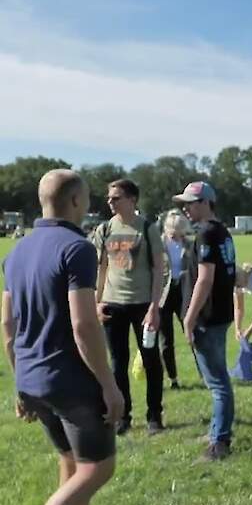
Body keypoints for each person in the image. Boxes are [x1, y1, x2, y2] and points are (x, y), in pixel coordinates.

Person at [2, 169, 124, 505]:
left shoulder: (16, 253)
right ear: (75, 200)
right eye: (86, 197)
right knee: (96, 468)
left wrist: (21, 383)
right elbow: (84, 325)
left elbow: (7, 325)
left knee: (70, 463)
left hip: (32, 379)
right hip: (70, 382)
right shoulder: (77, 249)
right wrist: (108, 384)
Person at [91, 178, 166, 436]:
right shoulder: (104, 229)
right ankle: (123, 417)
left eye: (116, 198)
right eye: (109, 198)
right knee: (117, 363)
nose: (110, 202)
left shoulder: (147, 228)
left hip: (142, 305)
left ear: (132, 199)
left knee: (151, 361)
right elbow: (100, 269)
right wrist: (97, 303)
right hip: (113, 305)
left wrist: (155, 307)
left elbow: (159, 270)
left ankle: (154, 416)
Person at [173, 181, 237, 462]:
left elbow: (205, 278)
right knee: (217, 379)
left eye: (190, 203)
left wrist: (189, 317)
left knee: (217, 382)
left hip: (208, 317)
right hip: (220, 314)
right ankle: (216, 429)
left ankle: (219, 442)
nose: (186, 208)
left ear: (205, 203)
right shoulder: (222, 231)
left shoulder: (206, 234)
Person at [159, 210, 194, 390]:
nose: (174, 233)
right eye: (171, 229)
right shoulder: (159, 244)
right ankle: (173, 379)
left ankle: (206, 373)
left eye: (178, 229)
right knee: (166, 340)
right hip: (163, 294)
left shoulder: (189, 245)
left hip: (183, 291)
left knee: (192, 333)